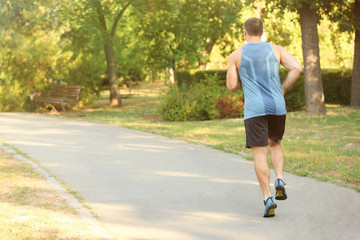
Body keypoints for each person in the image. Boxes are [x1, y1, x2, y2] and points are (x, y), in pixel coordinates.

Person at [226, 17, 302, 217]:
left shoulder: (237, 55)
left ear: (244, 32)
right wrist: (283, 88)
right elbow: (297, 68)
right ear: (262, 32)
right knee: (275, 144)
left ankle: (268, 198)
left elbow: (231, 86)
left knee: (260, 153)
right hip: (277, 106)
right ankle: (279, 179)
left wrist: (243, 75)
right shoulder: (276, 49)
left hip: (255, 110)